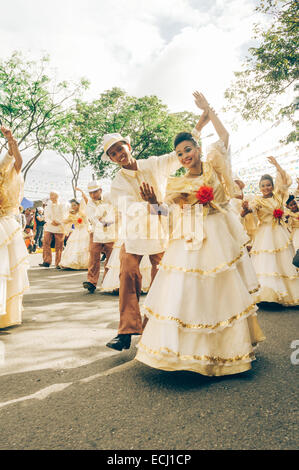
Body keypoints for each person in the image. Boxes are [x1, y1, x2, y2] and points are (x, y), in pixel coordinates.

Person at [135, 92, 265, 376]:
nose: (184, 156)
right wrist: (152, 202)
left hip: (217, 231)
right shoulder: (177, 181)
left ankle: (227, 351)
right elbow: (165, 213)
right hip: (189, 234)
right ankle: (184, 352)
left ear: (197, 147)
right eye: (180, 154)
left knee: (219, 289)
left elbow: (225, 137)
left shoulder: (214, 166)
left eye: (187, 149)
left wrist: (209, 111)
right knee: (187, 289)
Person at [104, 92, 211, 351]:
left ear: (129, 147)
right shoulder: (117, 182)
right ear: (111, 159)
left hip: (164, 229)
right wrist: (149, 205)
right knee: (128, 275)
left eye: (120, 148)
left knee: (162, 277)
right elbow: (128, 210)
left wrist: (200, 122)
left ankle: (154, 329)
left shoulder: (153, 163)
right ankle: (127, 331)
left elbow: (179, 155)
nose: (119, 154)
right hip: (135, 234)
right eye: (113, 153)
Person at [242, 158, 299, 305]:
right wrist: (246, 208)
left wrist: (276, 165)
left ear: (272, 186)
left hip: (280, 232)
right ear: (260, 188)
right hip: (265, 234)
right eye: (263, 186)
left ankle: (287, 295)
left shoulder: (279, 196)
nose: (266, 188)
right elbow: (252, 208)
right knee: (267, 262)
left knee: (284, 261)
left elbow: (286, 180)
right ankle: (267, 295)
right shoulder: (257, 200)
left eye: (268, 185)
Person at [0, 126, 29, 328]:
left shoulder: (8, 172)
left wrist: (12, 141)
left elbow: (16, 161)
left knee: (6, 270)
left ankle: (5, 314)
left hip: (7, 227)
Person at [83, 181, 115, 293]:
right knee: (93, 256)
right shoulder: (90, 204)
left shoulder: (109, 198)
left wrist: (108, 221)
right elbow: (93, 218)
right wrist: (104, 222)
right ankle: (91, 282)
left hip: (111, 233)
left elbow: (115, 213)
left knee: (111, 258)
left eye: (95, 192)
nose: (93, 195)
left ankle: (107, 282)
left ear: (100, 190)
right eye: (90, 193)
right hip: (96, 233)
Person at [59, 196, 90, 270]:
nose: (73, 207)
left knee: (82, 247)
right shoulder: (71, 214)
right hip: (76, 231)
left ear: (79, 205)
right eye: (72, 205)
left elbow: (86, 222)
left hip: (83, 231)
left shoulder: (83, 213)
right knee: (73, 247)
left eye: (75, 205)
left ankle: (84, 263)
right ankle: (71, 262)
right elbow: (65, 221)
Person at [39, 191, 66, 269]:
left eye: (53, 195)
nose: (51, 197)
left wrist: (58, 222)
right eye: (50, 195)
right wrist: (51, 222)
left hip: (60, 227)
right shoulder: (48, 206)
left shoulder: (63, 205)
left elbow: (65, 215)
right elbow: (46, 216)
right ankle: (46, 261)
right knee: (46, 242)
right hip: (49, 226)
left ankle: (58, 263)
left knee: (59, 245)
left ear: (57, 196)